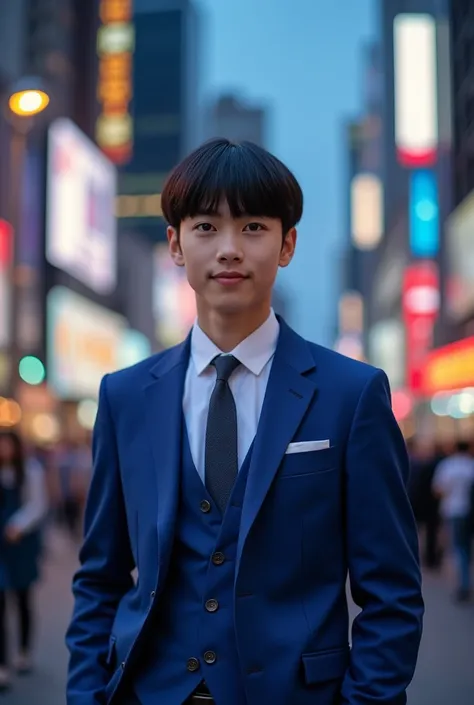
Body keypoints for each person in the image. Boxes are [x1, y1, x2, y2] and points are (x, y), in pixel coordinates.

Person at [66, 139, 424, 705]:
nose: (229, 249)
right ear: (175, 245)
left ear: (287, 245)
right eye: (206, 227)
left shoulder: (351, 394)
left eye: (253, 227)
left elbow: (392, 591)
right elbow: (101, 575)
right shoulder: (126, 396)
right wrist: (87, 693)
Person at [0, 430, 48, 690]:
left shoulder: (30, 470)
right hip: (1, 545)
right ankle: (2, 664)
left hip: (21, 544)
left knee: (22, 598)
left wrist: (19, 525)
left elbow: (38, 504)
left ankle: (24, 650)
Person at [433, 439, 474, 603]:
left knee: (458, 548)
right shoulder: (471, 466)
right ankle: (465, 581)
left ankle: (463, 585)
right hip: (469, 511)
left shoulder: (448, 466)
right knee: (466, 548)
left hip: (452, 510)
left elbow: (437, 489)